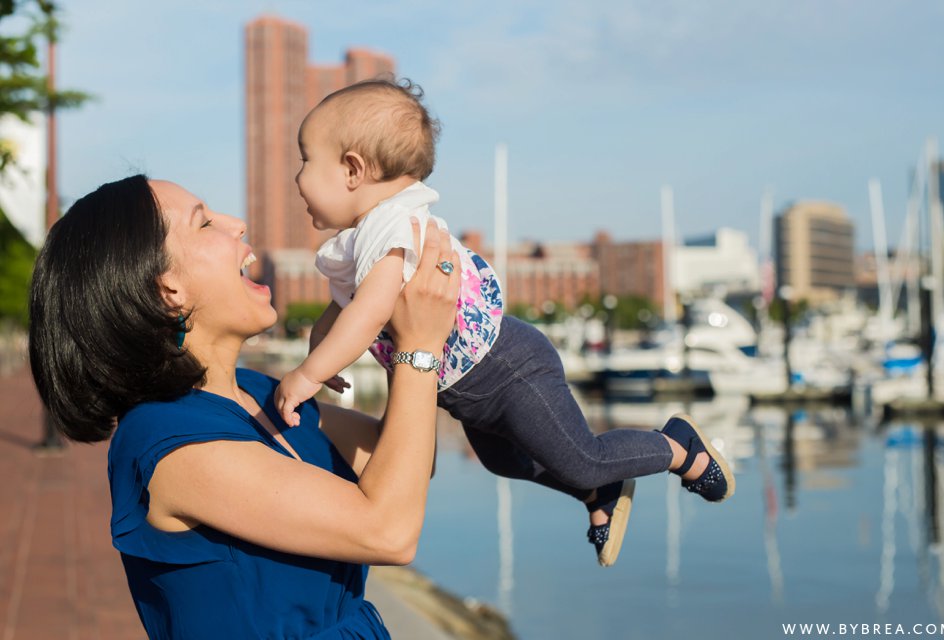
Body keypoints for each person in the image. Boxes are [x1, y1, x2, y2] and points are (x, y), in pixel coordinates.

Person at [273, 78, 736, 568]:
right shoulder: (359, 243)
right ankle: (599, 492)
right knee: (503, 460)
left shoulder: (392, 228)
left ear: (351, 169)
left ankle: (678, 448)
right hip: (467, 394)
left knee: (580, 456)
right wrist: (319, 354)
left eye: (305, 160)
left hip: (510, 369)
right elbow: (338, 313)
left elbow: (366, 314)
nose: (297, 176)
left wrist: (308, 376)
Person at [28, 175, 461, 638]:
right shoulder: (165, 440)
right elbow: (389, 531)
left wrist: (390, 313)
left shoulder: (259, 393)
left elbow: (403, 461)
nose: (237, 224)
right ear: (167, 288)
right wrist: (420, 345)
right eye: (205, 223)